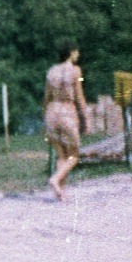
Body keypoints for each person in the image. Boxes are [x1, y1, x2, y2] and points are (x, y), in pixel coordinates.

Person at [42, 42, 90, 200]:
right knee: (74, 156)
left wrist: (44, 118)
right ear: (71, 53)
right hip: (67, 111)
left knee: (61, 155)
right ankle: (55, 179)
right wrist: (86, 118)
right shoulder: (76, 71)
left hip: (52, 111)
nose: (78, 54)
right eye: (76, 52)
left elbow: (46, 97)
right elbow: (79, 96)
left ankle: (60, 193)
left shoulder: (51, 71)